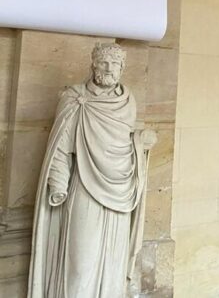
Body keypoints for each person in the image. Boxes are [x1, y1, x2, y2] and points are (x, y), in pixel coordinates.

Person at [28, 43, 156, 298]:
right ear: (93, 65)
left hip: (120, 193)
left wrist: (142, 141)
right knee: (80, 264)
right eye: (104, 63)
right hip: (85, 190)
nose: (109, 69)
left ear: (122, 68)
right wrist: (58, 184)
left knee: (112, 263)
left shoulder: (128, 101)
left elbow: (125, 141)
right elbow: (61, 148)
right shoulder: (76, 99)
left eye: (115, 64)